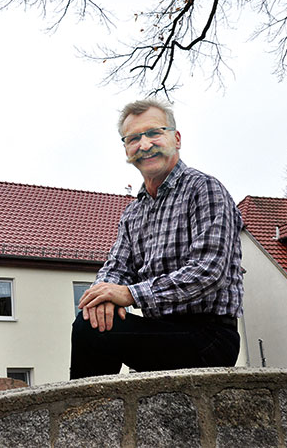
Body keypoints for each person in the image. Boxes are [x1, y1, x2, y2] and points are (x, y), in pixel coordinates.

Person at [70, 99, 244, 378]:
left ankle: (82, 419)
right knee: (93, 321)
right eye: (134, 138)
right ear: (126, 149)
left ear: (176, 138)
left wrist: (129, 294)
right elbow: (116, 268)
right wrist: (103, 297)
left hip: (209, 336)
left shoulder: (205, 190)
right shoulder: (133, 212)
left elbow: (209, 271)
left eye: (154, 133)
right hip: (160, 329)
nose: (145, 144)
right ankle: (93, 416)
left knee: (91, 329)